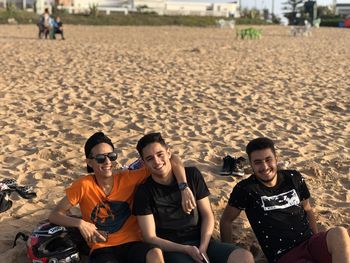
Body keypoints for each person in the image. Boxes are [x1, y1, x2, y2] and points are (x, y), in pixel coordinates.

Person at [49, 131, 196, 263]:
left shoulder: (129, 178)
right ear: (89, 162)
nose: (107, 162)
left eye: (111, 156)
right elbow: (55, 214)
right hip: (103, 248)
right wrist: (81, 224)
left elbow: (173, 159)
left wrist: (183, 186)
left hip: (134, 243)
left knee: (155, 253)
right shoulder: (83, 185)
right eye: (100, 158)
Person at [220, 137, 350, 263]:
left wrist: (315, 238)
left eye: (268, 159)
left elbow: (307, 209)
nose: (264, 167)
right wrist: (229, 252)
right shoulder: (246, 189)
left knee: (339, 233)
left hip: (309, 243)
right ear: (251, 164)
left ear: (276, 159)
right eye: (258, 162)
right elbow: (226, 220)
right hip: (284, 255)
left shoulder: (293, 178)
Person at [133, 132, 254, 263]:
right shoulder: (143, 192)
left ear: (168, 153)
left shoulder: (192, 175)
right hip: (174, 250)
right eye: (150, 158)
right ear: (144, 162)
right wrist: (185, 249)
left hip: (203, 242)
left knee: (244, 257)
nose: (157, 161)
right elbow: (149, 237)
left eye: (160, 154)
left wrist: (203, 246)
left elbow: (208, 215)